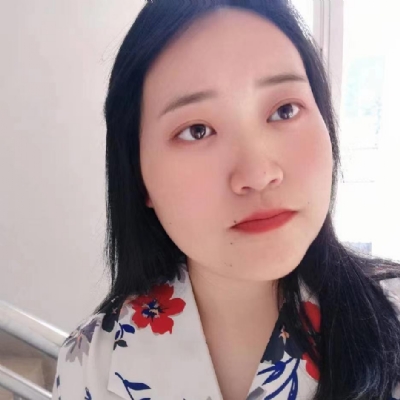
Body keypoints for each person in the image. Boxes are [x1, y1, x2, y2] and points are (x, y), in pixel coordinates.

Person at [52, 1, 400, 399]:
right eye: (197, 130)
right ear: (138, 174)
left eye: (285, 110)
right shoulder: (90, 363)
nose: (258, 174)